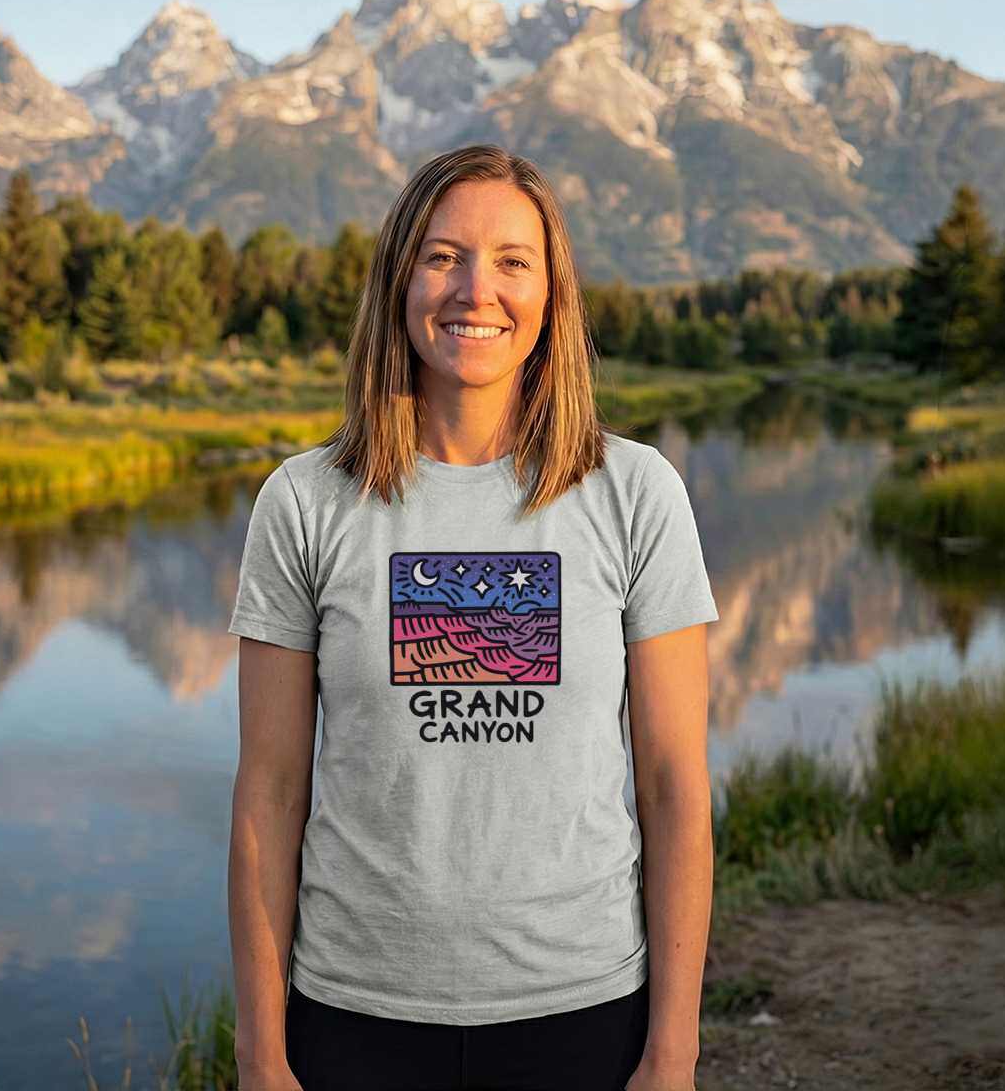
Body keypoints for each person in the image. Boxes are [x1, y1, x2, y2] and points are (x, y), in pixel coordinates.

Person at [227, 145, 716, 1091]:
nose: (475, 290)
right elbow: (269, 798)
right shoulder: (303, 503)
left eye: (512, 261)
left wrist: (674, 1050)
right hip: (352, 1016)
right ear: (400, 279)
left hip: (582, 1012)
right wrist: (260, 1055)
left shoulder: (636, 494)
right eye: (443, 256)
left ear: (552, 292)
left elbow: (671, 789)